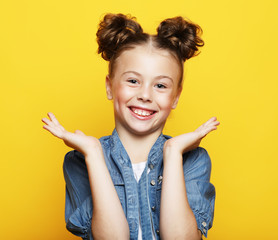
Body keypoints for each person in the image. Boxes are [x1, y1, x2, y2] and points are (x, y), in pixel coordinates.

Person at [41, 13, 220, 240]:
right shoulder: (80, 160)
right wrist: (94, 153)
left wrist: (173, 152)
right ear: (109, 87)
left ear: (176, 97)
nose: (145, 95)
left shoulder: (193, 160)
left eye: (161, 85)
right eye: (133, 81)